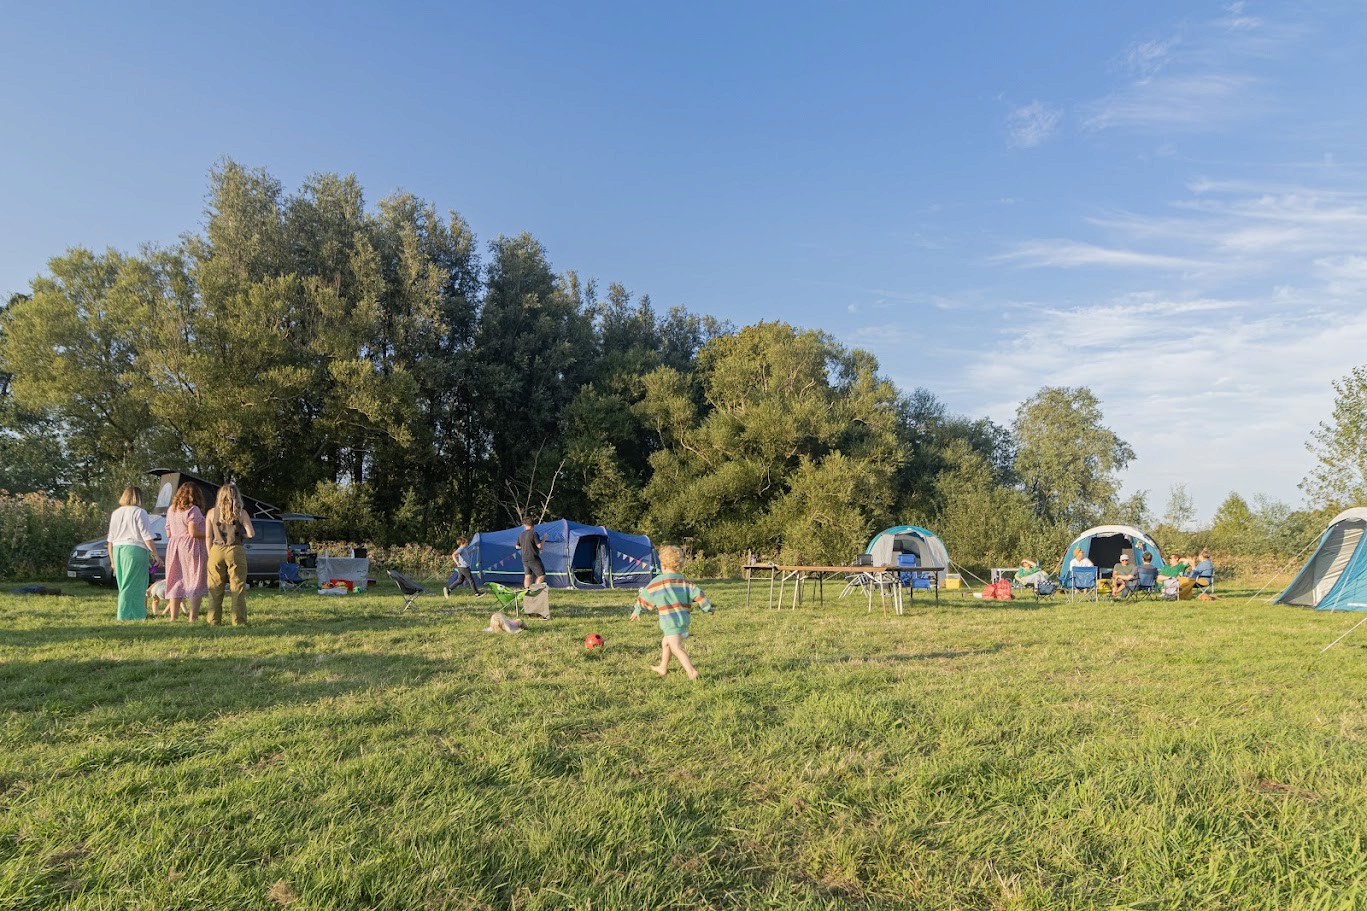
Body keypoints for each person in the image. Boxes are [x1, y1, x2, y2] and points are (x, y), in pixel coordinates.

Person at [631, 544, 714, 680]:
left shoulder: (657, 582)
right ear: (678, 566)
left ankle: (692, 672)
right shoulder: (684, 581)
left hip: (670, 621)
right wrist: (707, 607)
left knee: (675, 647)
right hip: (683, 619)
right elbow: (699, 594)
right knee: (666, 643)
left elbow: (645, 596)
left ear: (663, 565)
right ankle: (663, 667)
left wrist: (637, 609)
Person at [106, 486, 160, 621]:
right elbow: (146, 535)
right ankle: (127, 614)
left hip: (118, 549)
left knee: (124, 583)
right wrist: (155, 554)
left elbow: (110, 540)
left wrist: (112, 559)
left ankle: (134, 613)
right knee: (134, 584)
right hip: (134, 549)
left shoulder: (116, 513)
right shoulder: (139, 512)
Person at [205, 482, 255, 626]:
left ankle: (213, 620)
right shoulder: (241, 513)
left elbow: (208, 537)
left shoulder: (211, 513)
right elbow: (251, 533)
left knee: (215, 588)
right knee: (237, 587)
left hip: (216, 550)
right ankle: (238, 621)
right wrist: (241, 536)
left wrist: (210, 553)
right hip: (235, 549)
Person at [163, 482, 208, 621]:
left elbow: (168, 532)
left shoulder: (172, 509)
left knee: (176, 580)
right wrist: (209, 534)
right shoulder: (193, 510)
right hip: (191, 546)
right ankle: (193, 617)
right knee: (195, 579)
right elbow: (193, 532)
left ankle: (173, 617)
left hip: (174, 546)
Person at [516, 517, 546, 588]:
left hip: (524, 558)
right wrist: (544, 539)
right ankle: (535, 590)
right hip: (533, 558)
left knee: (527, 576)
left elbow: (517, 546)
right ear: (533, 525)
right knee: (541, 575)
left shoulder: (521, 535)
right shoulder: (534, 534)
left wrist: (524, 546)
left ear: (525, 525)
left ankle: (526, 592)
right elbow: (540, 546)